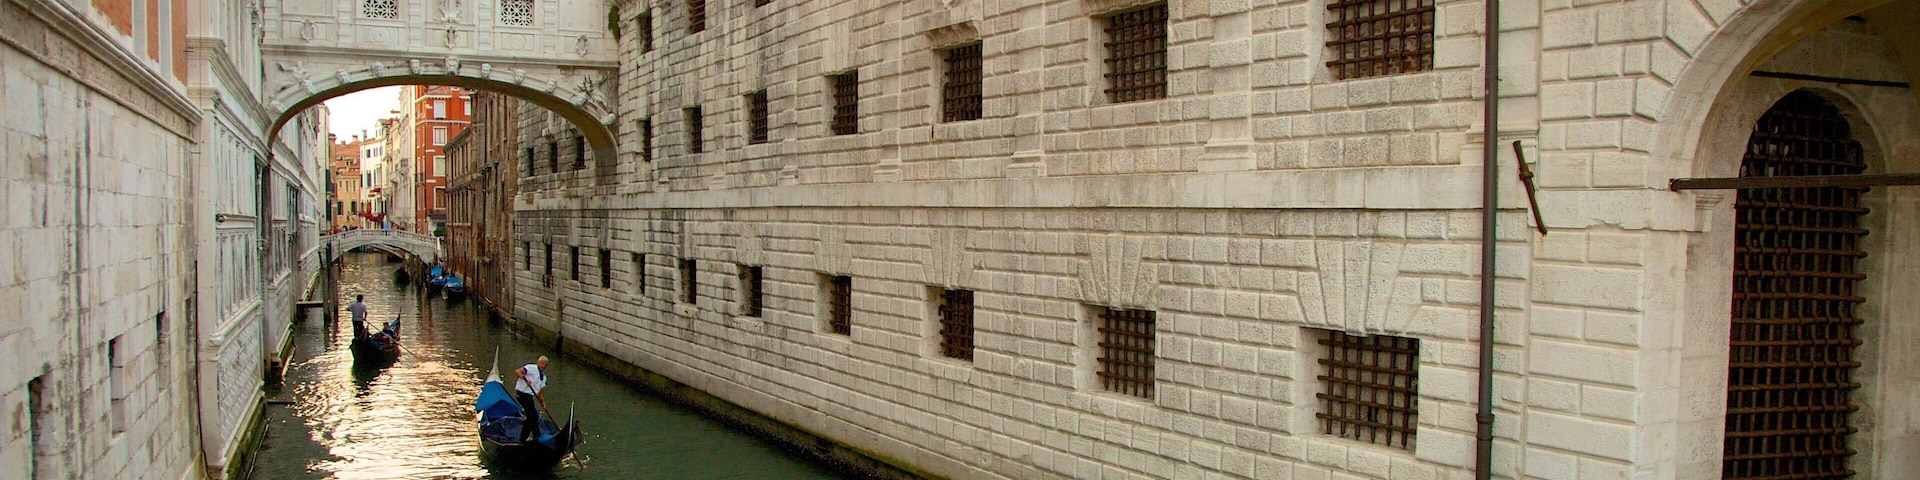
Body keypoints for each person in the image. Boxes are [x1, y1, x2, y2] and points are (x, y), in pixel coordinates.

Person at [514, 356, 550, 442]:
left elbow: (540, 391)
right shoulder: (530, 368)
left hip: (529, 397)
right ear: (538, 362)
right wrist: (525, 379)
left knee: (533, 416)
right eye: (542, 363)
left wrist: (543, 403)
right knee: (531, 417)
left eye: (545, 364)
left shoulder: (543, 377)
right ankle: (524, 438)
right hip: (522, 395)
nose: (543, 365)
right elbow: (518, 371)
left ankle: (536, 436)